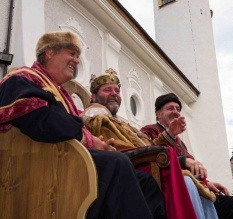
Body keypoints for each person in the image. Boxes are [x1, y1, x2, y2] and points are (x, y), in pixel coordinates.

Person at [0, 31, 166, 219]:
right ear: (49, 53)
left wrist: (96, 142)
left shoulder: (58, 90)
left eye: (78, 56)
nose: (77, 60)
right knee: (117, 163)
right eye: (71, 53)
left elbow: (63, 122)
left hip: (64, 157)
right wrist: (87, 138)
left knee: (146, 182)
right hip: (40, 166)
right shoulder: (23, 78)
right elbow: (37, 119)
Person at [81, 69, 217, 219]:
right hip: (134, 165)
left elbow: (148, 145)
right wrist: (171, 140)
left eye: (117, 91)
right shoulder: (96, 115)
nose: (114, 93)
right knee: (186, 181)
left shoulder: (123, 124)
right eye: (107, 90)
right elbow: (123, 148)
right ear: (93, 96)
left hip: (146, 161)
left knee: (217, 198)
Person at [140, 93, 233, 219]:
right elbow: (147, 154)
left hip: (193, 185)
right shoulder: (148, 131)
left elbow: (193, 168)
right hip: (168, 186)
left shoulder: (180, 142)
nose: (176, 112)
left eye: (178, 109)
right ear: (158, 114)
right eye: (170, 108)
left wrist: (207, 183)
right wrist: (183, 160)